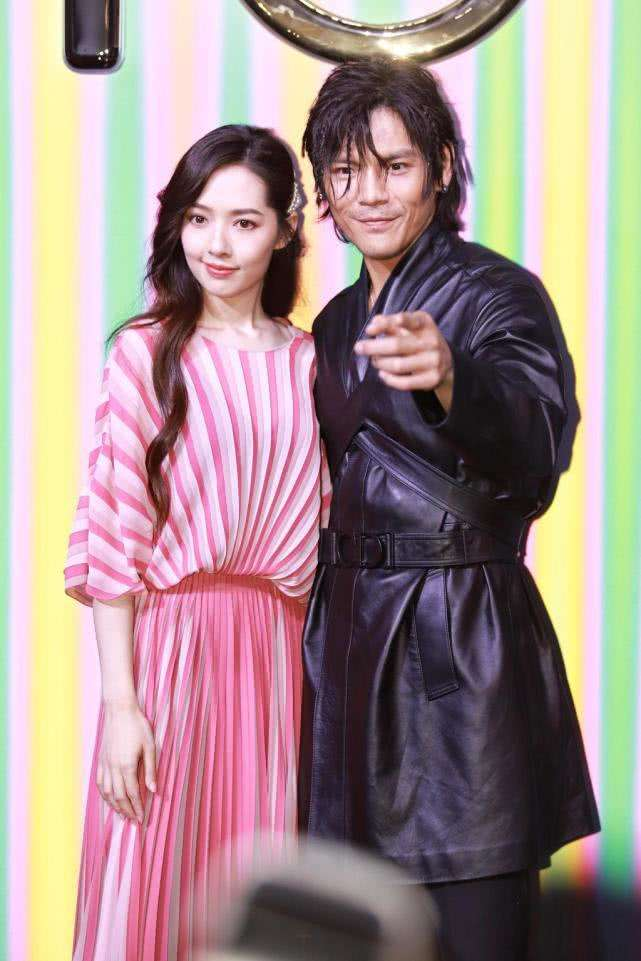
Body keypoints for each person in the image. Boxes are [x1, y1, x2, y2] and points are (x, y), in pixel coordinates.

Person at [297, 58, 600, 961]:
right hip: (349, 656)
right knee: (354, 932)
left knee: (474, 928)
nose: (369, 194)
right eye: (345, 172)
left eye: (394, 167)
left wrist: (452, 380)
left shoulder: (497, 294)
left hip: (460, 652)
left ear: (436, 167)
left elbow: (538, 451)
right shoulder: (334, 323)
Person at [64, 124, 330, 961]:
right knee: (155, 876)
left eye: (244, 222)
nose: (217, 244)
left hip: (279, 658)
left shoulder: (314, 364)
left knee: (257, 894)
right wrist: (121, 704)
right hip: (171, 651)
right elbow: (114, 538)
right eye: (199, 217)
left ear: (284, 230)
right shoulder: (147, 353)